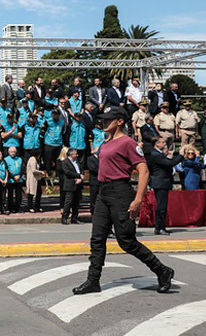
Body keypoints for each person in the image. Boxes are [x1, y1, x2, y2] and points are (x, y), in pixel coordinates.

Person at [73, 106, 174, 296]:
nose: (104, 122)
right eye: (103, 119)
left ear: (120, 121)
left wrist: (138, 201)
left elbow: (144, 172)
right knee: (97, 239)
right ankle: (93, 280)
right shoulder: (105, 143)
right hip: (103, 192)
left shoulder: (128, 142)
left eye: (108, 119)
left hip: (121, 192)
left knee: (126, 241)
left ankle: (162, 270)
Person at [149, 137, 184, 235]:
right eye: (162, 142)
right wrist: (180, 155)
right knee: (161, 206)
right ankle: (159, 227)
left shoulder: (159, 154)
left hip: (162, 182)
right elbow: (170, 163)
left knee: (162, 206)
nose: (164, 144)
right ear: (157, 144)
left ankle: (160, 226)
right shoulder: (156, 154)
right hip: (161, 182)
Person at [61, 148, 84, 225]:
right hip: (70, 184)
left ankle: (74, 218)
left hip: (78, 184)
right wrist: (78, 176)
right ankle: (65, 217)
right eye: (75, 154)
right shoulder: (65, 162)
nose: (77, 155)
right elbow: (67, 172)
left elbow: (81, 170)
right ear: (71, 154)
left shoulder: (77, 162)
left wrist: (80, 178)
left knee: (76, 203)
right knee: (68, 202)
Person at [4, 147, 24, 214]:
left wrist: (19, 176)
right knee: (10, 195)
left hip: (19, 179)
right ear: (9, 152)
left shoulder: (19, 159)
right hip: (10, 180)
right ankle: (10, 208)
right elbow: (6, 170)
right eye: (11, 152)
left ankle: (18, 208)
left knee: (18, 195)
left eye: (14, 152)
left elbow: (22, 169)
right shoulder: (6, 160)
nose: (13, 153)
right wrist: (13, 177)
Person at [25, 148, 45, 213]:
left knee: (39, 193)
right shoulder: (32, 159)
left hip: (37, 179)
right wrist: (41, 172)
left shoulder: (36, 159)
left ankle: (37, 206)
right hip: (32, 179)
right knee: (31, 193)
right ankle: (30, 207)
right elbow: (33, 170)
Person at [87, 151, 100, 215]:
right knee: (93, 196)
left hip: (101, 181)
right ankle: (93, 210)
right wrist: (102, 171)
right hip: (94, 181)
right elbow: (92, 169)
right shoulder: (90, 159)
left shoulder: (101, 158)